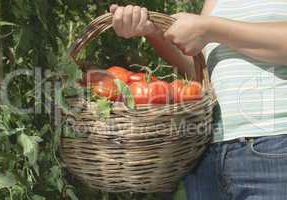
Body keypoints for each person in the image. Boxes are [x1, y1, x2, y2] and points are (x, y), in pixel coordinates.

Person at [109, 1, 287, 200]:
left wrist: (209, 28)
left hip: (274, 146)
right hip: (209, 150)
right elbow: (200, 69)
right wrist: (154, 33)